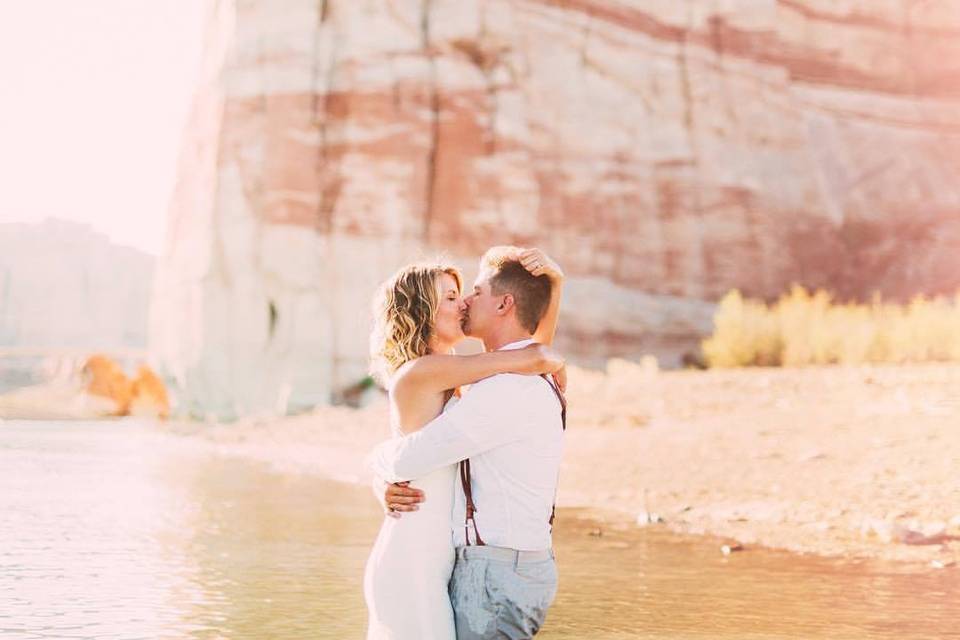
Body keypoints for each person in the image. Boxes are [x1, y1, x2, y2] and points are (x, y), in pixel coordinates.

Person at [363, 247, 565, 640]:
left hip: (439, 554)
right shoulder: (424, 371)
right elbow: (522, 357)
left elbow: (519, 355)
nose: (464, 304)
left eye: (464, 294)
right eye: (451, 298)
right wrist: (377, 465)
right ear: (424, 311)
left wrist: (553, 290)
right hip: (414, 554)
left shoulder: (450, 371)